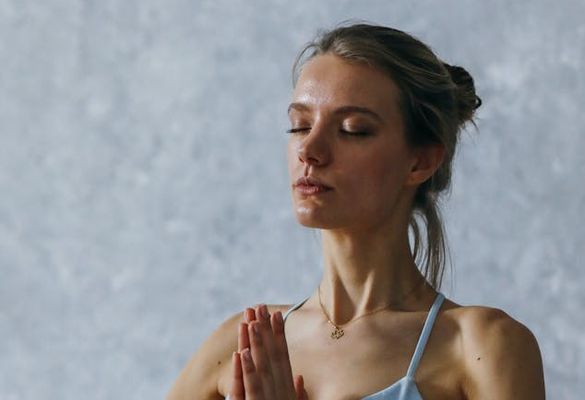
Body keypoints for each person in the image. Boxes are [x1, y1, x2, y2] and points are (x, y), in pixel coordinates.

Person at [167, 22, 545, 400]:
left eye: (352, 130)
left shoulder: (481, 346)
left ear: (421, 161)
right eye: (299, 126)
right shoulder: (244, 346)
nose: (309, 150)